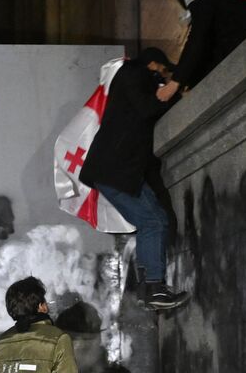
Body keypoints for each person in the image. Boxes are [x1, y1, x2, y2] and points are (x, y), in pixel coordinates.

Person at [78, 50, 189, 310]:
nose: (163, 80)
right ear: (153, 64)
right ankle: (154, 288)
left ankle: (148, 290)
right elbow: (147, 107)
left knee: (150, 222)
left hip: (116, 170)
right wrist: (174, 96)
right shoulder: (134, 73)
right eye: (162, 72)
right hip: (116, 169)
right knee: (153, 221)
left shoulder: (131, 77)